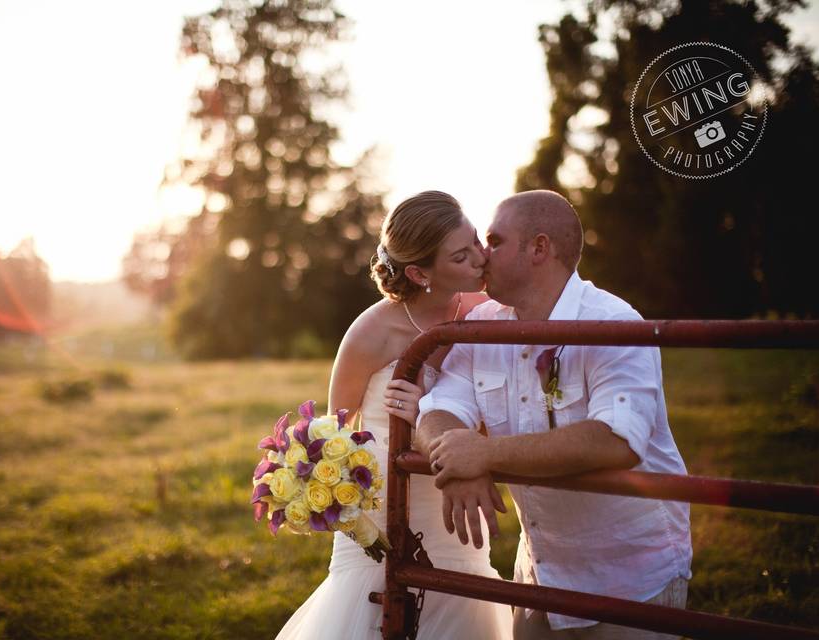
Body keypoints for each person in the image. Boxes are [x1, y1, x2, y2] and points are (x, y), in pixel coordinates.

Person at [416, 190, 692, 640]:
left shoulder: (615, 323)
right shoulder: (482, 326)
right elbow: (438, 408)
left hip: (632, 579)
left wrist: (483, 454)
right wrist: (456, 459)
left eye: (495, 241)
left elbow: (615, 440)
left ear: (539, 249)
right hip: (539, 575)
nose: (483, 255)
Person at [276, 191, 513, 639]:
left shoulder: (489, 315)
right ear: (420, 273)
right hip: (388, 506)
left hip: (457, 496)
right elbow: (334, 438)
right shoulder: (371, 331)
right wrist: (331, 499)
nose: (481, 259)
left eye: (477, 242)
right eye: (462, 256)